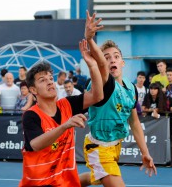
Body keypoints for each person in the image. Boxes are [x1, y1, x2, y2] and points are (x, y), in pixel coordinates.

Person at [79, 11, 156, 187]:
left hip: (115, 146)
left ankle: (61, 183)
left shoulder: (130, 88)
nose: (111, 60)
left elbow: (134, 122)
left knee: (95, 179)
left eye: (116, 56)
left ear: (122, 62)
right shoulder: (103, 83)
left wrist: (145, 152)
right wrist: (90, 39)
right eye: (106, 58)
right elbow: (100, 65)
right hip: (99, 147)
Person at [19, 40, 103, 187]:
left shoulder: (67, 104)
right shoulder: (31, 115)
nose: (50, 82)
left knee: (105, 174)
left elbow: (97, 96)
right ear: (33, 90)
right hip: (39, 183)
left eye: (51, 79)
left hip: (63, 181)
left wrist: (92, 65)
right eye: (43, 80)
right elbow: (36, 144)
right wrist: (65, 125)